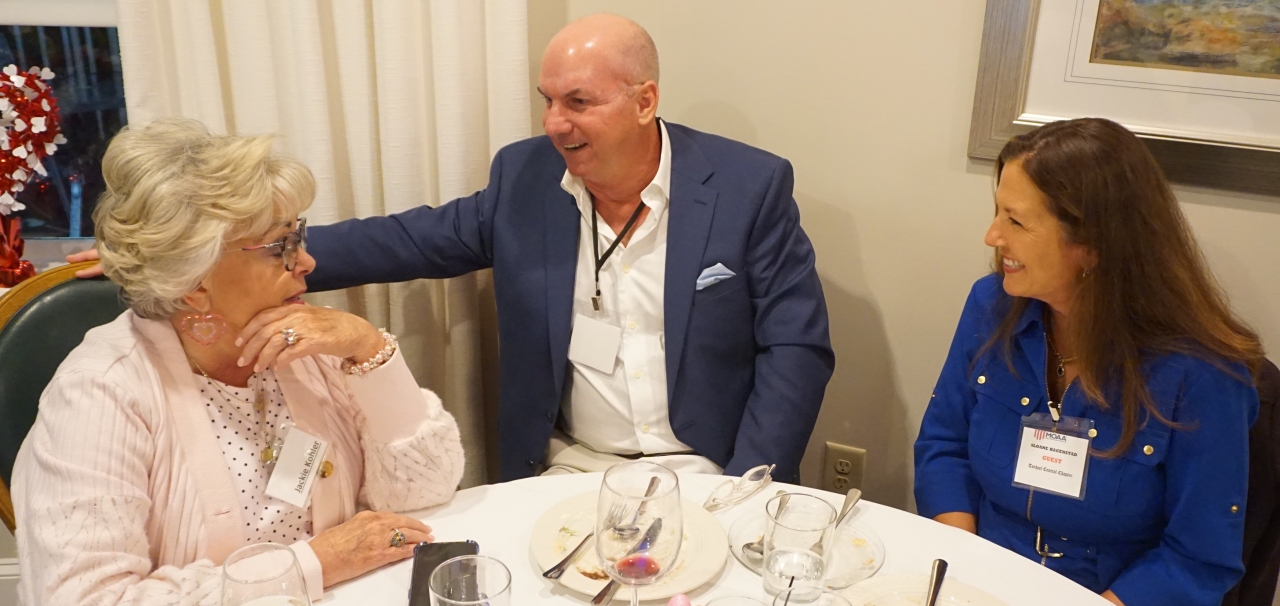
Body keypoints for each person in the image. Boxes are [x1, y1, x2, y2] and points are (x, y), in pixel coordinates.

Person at [263, 14, 832, 481]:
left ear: (644, 101)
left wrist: (746, 484)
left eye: (578, 102)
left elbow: (796, 347)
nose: (555, 124)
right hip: (569, 466)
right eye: (549, 100)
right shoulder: (525, 178)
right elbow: (407, 240)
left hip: (707, 467)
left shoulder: (747, 187)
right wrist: (269, 251)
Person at [15, 118, 466, 605]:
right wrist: (315, 564)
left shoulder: (302, 345)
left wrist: (367, 347)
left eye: (299, 235)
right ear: (193, 281)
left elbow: (426, 490)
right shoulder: (99, 395)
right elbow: (85, 599)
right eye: (280, 247)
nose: (307, 262)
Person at [914, 118, 1264, 606]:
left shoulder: (1201, 375)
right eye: (998, 213)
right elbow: (943, 446)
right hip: (980, 576)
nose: (992, 236)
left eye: (1016, 221)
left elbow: (1198, 558)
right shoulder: (990, 306)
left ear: (1092, 245)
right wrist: (965, 571)